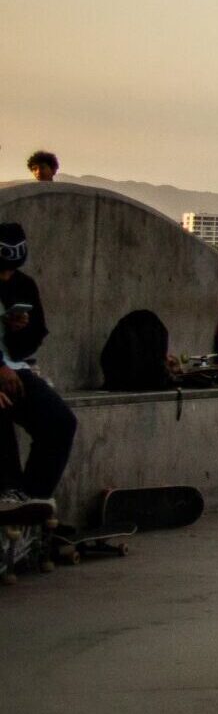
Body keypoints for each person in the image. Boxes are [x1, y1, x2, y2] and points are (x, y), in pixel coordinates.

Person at [0, 223, 73, 524]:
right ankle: (7, 491)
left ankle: (31, 496)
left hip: (15, 367)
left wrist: (19, 329)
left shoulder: (24, 285)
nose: (6, 277)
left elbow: (35, 335)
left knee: (60, 421)